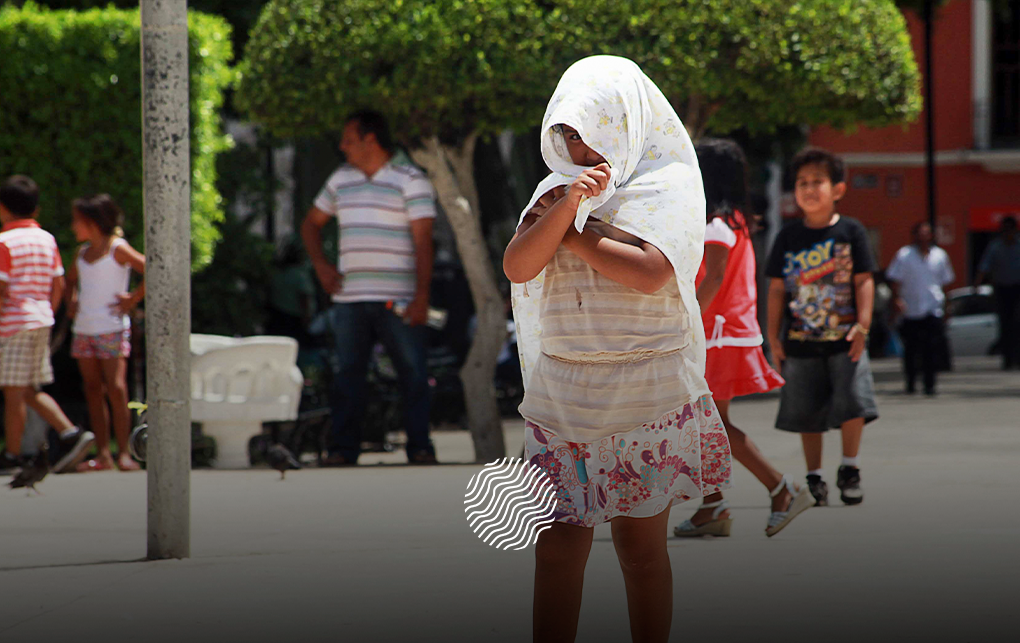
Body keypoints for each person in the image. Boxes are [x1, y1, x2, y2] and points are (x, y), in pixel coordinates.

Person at [505, 56, 733, 643]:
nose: (580, 150)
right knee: (557, 545)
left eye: (590, 131)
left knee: (640, 547)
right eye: (568, 135)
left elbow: (653, 272)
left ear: (623, 121)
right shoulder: (552, 195)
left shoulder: (668, 185)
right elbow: (517, 264)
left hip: (644, 396)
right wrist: (562, 209)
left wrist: (575, 232)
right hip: (566, 398)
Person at [673, 139, 814, 539]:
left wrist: (685, 321)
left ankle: (780, 487)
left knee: (710, 424)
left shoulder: (716, 223)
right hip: (725, 334)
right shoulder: (732, 219)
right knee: (708, 423)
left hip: (715, 335)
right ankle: (713, 504)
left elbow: (714, 277)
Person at [300, 110, 438, 466]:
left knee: (413, 373)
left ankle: (420, 447)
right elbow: (310, 225)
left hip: (400, 298)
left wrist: (422, 296)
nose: (342, 147)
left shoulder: (412, 180)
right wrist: (321, 266)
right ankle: (344, 451)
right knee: (348, 376)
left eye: (348, 139)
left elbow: (424, 242)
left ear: (370, 140)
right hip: (350, 298)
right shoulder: (340, 179)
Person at [765, 149, 879, 507]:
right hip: (799, 341)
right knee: (806, 413)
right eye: (802, 183)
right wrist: (773, 338)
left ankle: (850, 469)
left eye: (818, 181)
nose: (809, 189)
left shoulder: (851, 231)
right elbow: (776, 290)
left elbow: (864, 280)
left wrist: (863, 324)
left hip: (846, 341)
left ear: (838, 189)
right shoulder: (788, 236)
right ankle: (814, 477)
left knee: (853, 404)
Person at [0, 175, 94, 474]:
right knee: (27, 388)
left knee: (13, 391)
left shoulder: (4, 242)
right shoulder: (47, 239)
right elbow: (58, 285)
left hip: (13, 324)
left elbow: (1, 289)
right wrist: (48, 313)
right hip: (41, 321)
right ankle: (69, 433)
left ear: (3, 208)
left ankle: (13, 455)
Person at [66, 194, 146, 472]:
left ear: (92, 222)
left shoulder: (118, 249)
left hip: (111, 328)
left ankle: (124, 452)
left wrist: (132, 299)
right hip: (85, 330)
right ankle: (103, 454)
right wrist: (72, 301)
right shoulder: (81, 254)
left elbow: (149, 268)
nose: (73, 227)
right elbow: (71, 281)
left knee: (117, 388)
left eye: (78, 221)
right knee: (92, 390)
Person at [886, 221, 955, 395]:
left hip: (933, 307)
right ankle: (910, 383)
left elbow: (944, 283)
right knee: (911, 349)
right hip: (911, 309)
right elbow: (895, 280)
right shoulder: (904, 255)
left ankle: (930, 384)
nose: (923, 237)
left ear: (931, 235)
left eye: (927, 233)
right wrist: (896, 300)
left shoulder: (940, 255)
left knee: (931, 348)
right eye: (920, 233)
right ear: (914, 235)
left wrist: (947, 307)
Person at [976, 215, 1020, 370]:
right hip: (1003, 289)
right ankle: (1008, 359)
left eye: (1010, 229)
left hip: (1018, 288)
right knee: (1005, 324)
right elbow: (984, 267)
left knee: (1018, 322)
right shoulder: (995, 247)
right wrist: (977, 285)